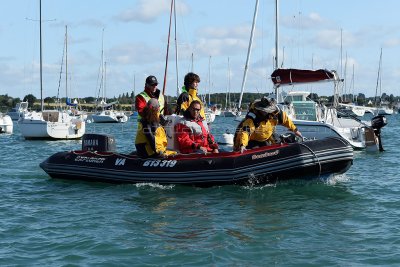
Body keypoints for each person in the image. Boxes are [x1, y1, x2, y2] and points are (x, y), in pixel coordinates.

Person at [233, 96, 303, 153]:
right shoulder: (252, 119)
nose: (266, 112)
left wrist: (295, 130)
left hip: (268, 135)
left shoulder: (276, 114)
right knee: (253, 149)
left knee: (276, 142)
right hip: (251, 139)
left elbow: (286, 120)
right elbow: (245, 132)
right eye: (264, 111)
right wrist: (243, 145)